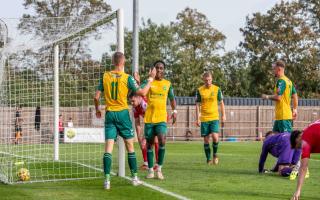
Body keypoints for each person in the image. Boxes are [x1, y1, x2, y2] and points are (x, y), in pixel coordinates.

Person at [94, 52, 156, 190]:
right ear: (123, 62)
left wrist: (98, 109)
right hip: (122, 114)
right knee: (130, 147)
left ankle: (107, 181)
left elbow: (97, 97)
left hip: (110, 114)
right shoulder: (127, 77)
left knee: (108, 149)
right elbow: (143, 93)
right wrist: (151, 79)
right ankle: (134, 178)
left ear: (113, 61)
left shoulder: (105, 76)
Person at [142, 60, 177, 180]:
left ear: (164, 70)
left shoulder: (167, 84)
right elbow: (141, 92)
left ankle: (159, 169)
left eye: (161, 68)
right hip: (149, 118)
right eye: (157, 68)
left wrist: (174, 111)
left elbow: (172, 99)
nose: (159, 70)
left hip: (162, 118)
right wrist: (142, 81)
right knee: (150, 144)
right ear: (153, 70)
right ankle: (151, 170)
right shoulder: (149, 82)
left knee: (162, 139)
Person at [195, 71, 226, 165]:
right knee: (206, 139)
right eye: (206, 80)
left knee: (215, 137)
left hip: (214, 117)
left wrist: (224, 115)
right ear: (203, 80)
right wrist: (198, 118)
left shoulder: (217, 89)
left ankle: (215, 155)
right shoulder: (200, 90)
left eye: (209, 80)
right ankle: (208, 159)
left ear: (212, 79)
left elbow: (221, 103)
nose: (208, 82)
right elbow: (197, 105)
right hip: (204, 118)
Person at [262, 60, 298, 133]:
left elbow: (278, 97)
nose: (273, 71)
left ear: (279, 69)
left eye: (274, 68)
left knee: (286, 141)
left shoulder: (281, 81)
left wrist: (267, 97)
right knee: (275, 141)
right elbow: (295, 96)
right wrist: (294, 109)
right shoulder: (289, 81)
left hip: (283, 117)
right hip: (280, 117)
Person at [290, 120, 320, 200]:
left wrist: (298, 190)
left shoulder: (305, 140)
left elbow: (303, 168)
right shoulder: (310, 127)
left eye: (297, 145)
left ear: (298, 138)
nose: (299, 148)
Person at [129, 93, 159, 170]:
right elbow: (137, 122)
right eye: (130, 102)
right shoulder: (135, 107)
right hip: (149, 121)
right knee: (141, 141)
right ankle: (146, 163)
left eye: (133, 101)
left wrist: (145, 136)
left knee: (155, 139)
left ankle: (157, 164)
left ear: (139, 98)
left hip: (157, 119)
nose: (132, 103)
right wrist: (139, 136)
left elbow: (150, 119)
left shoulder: (145, 103)